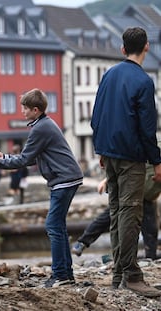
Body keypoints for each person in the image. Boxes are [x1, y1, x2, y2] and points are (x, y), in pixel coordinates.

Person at [0, 88, 83, 288]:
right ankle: (66, 274)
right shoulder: (44, 124)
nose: (22, 112)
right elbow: (30, 157)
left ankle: (60, 275)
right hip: (67, 178)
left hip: (64, 180)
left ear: (35, 110)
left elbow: (25, 159)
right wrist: (4, 157)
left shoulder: (40, 128)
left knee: (53, 226)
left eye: (25, 108)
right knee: (57, 226)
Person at [91, 27, 161, 297]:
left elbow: (97, 115)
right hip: (132, 157)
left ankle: (118, 275)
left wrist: (100, 149)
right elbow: (147, 127)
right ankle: (131, 275)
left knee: (117, 212)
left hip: (108, 154)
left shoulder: (108, 76)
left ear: (122, 49)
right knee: (131, 214)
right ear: (147, 47)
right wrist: (156, 161)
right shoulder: (143, 81)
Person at [72, 164, 161, 260]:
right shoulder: (148, 154)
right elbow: (127, 164)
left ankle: (150, 257)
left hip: (148, 196)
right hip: (131, 191)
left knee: (150, 228)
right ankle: (82, 242)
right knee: (109, 217)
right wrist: (107, 180)